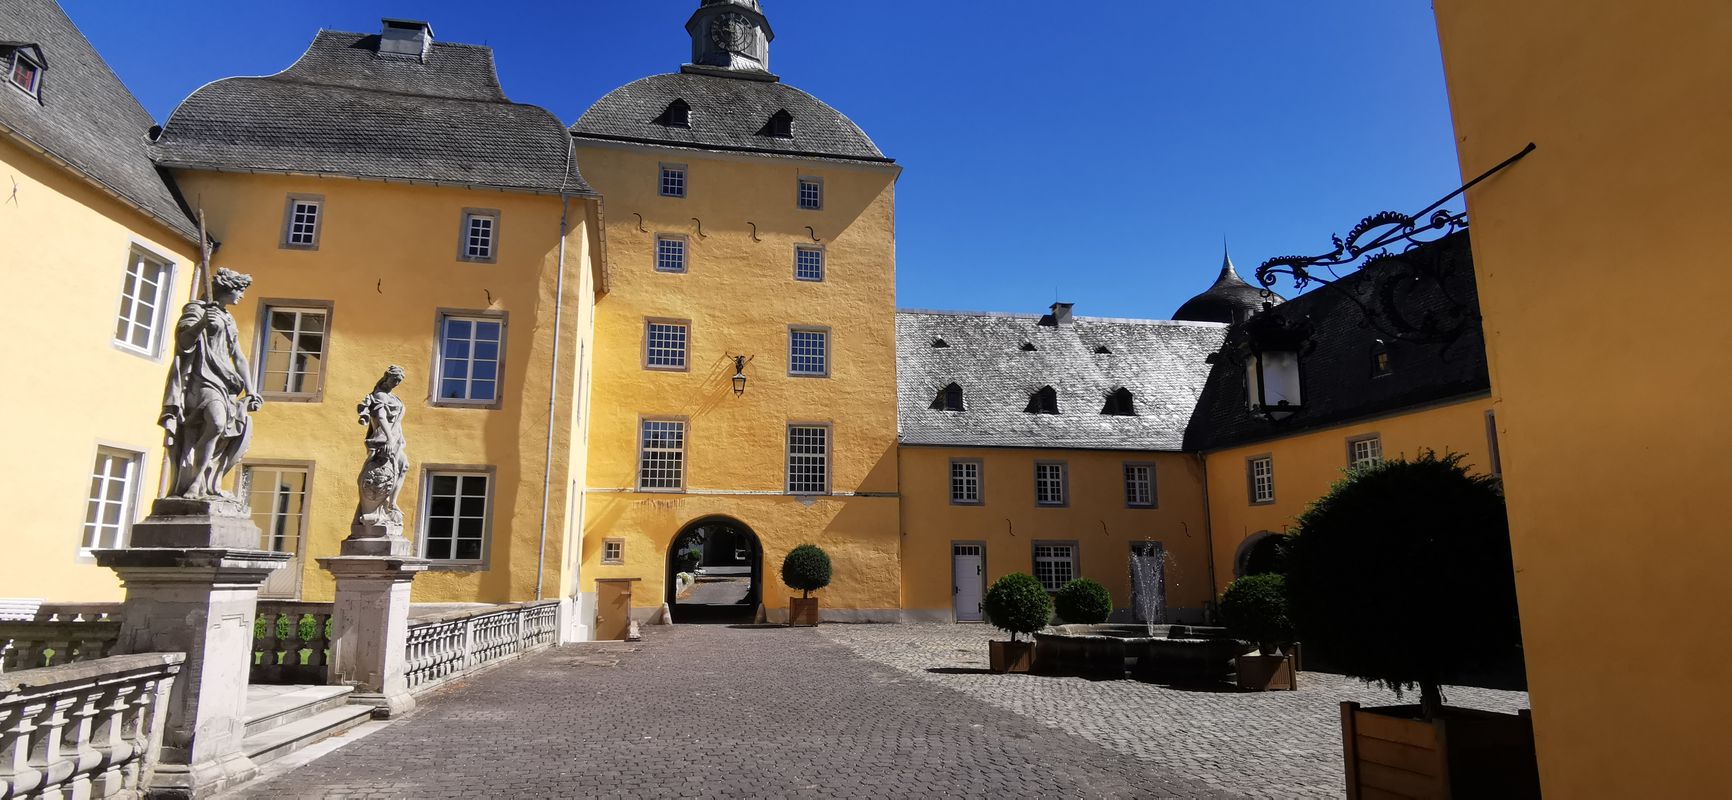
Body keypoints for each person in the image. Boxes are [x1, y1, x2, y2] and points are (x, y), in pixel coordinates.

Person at [160, 268, 261, 499]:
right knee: (216, 424)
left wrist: (251, 388)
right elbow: (184, 340)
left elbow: (239, 356)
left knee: (222, 430)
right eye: (240, 291)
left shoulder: (228, 318)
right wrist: (202, 323)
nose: (242, 297)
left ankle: (200, 481)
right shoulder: (196, 309)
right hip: (202, 377)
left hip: (225, 382)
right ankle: (194, 481)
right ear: (227, 288)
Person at [355, 366, 409, 527]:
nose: (397, 383)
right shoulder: (380, 395)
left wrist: (397, 438)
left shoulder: (392, 396)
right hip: (386, 439)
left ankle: (392, 503)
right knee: (387, 471)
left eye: (399, 381)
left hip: (397, 438)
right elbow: (381, 417)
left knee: (404, 466)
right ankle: (379, 508)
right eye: (395, 379)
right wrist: (389, 439)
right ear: (386, 376)